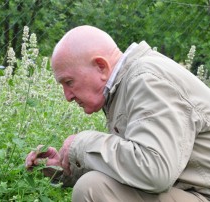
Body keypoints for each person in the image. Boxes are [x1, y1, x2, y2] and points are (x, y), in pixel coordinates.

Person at [25, 25, 210, 201]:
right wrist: (64, 169)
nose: (67, 96)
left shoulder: (146, 78)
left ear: (101, 67)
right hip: (191, 192)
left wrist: (81, 143)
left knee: (93, 189)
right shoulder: (126, 84)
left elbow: (154, 170)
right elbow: (133, 172)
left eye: (69, 82)